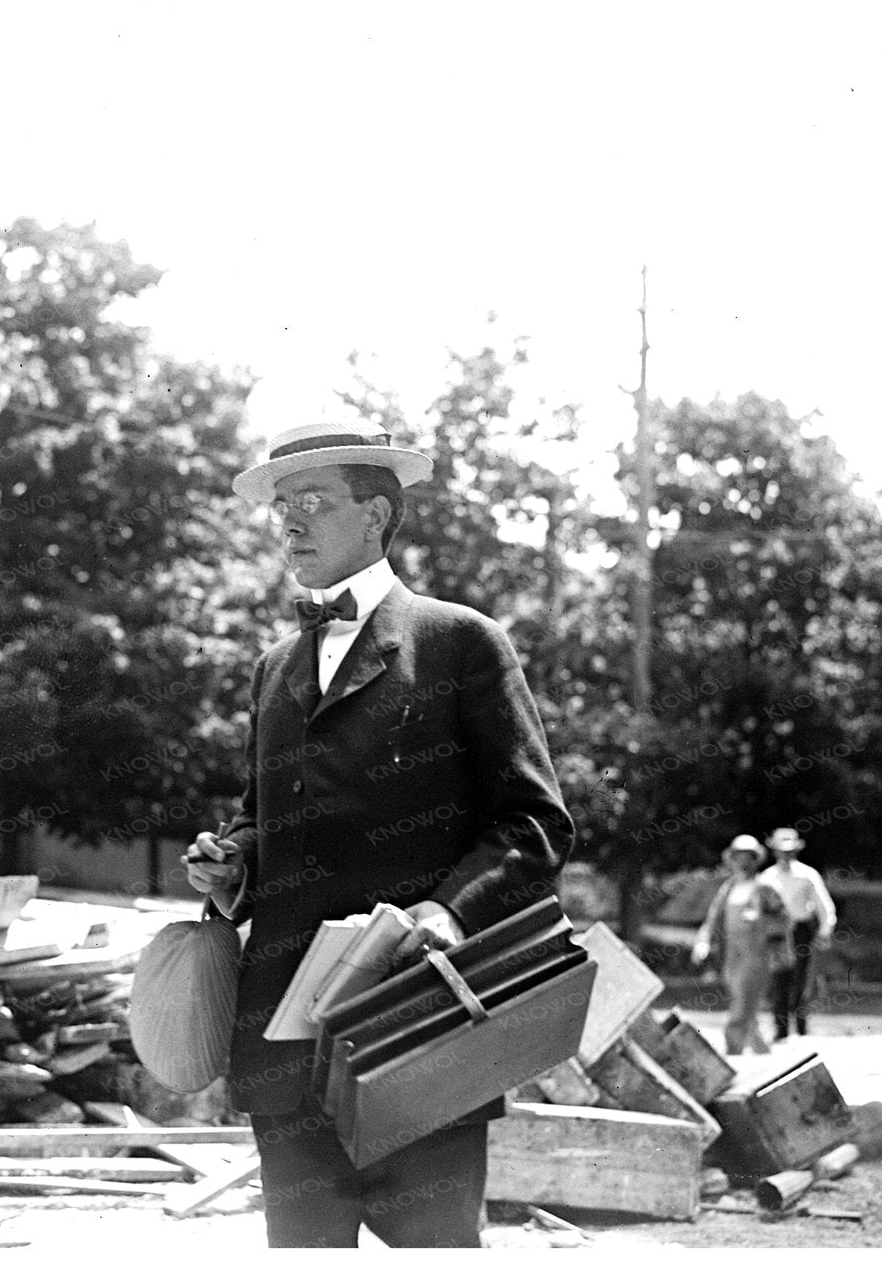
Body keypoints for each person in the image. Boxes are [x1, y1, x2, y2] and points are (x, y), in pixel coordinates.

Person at [186, 419, 575, 1248]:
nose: (289, 523)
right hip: (285, 1048)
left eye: (313, 502)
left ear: (376, 514)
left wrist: (449, 911)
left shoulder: (460, 642)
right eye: (282, 506)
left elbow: (534, 822)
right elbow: (265, 820)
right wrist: (234, 866)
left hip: (418, 1029)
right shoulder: (274, 667)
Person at [691, 834, 791, 1056]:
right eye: (738, 857)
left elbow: (785, 921)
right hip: (731, 956)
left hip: (757, 955)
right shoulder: (729, 887)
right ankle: (763, 1053)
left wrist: (761, 921)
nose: (743, 862)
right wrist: (703, 942)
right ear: (732, 859)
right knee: (745, 1004)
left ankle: (732, 1050)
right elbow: (713, 919)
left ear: (756, 860)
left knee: (743, 1003)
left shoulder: (765, 887)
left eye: (748, 857)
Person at [761, 826, 837, 1039]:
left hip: (801, 930)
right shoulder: (767, 877)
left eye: (789, 851)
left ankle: (802, 1027)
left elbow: (824, 906)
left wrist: (825, 930)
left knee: (801, 979)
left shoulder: (807, 874)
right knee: (779, 980)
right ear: (775, 851)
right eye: (782, 851)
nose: (786, 855)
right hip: (776, 934)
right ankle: (781, 1029)